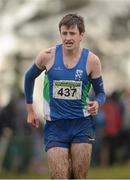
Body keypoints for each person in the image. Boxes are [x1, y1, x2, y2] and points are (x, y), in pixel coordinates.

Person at [24, 13, 106, 179]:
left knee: (79, 176)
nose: (68, 38)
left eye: (72, 33)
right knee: (59, 176)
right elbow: (28, 77)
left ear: (81, 35)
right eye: (64, 33)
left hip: (81, 124)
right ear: (60, 33)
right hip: (56, 126)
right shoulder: (47, 56)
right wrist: (30, 110)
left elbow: (101, 93)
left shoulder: (92, 61)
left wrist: (97, 103)